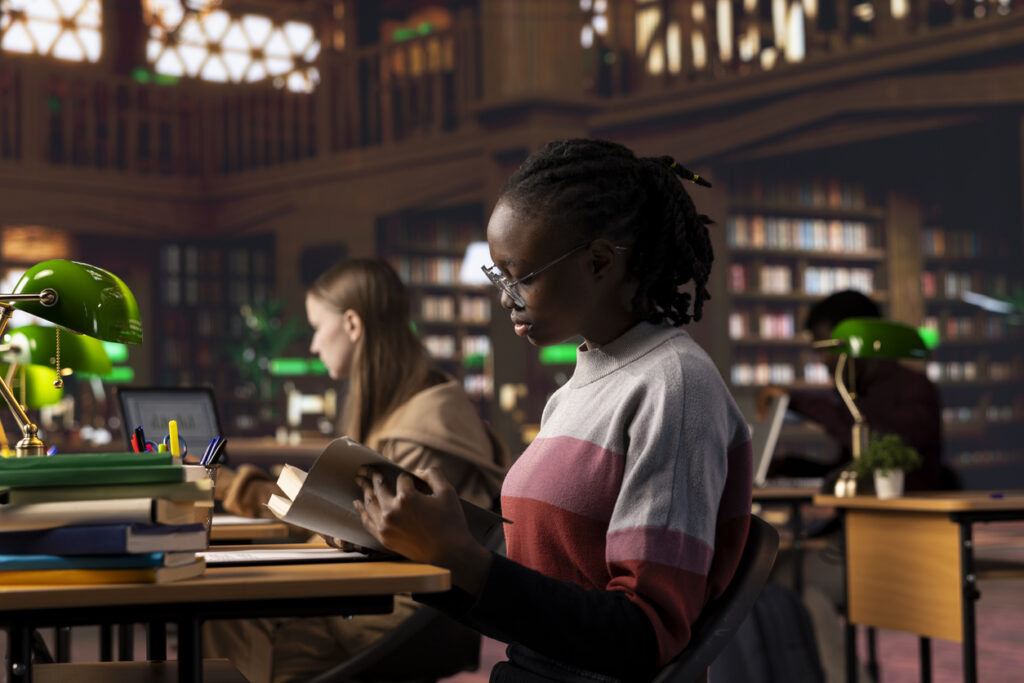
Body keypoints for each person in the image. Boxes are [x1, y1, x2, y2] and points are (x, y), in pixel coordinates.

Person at [351, 138, 753, 682]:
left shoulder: (673, 386)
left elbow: (642, 637)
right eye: (499, 276)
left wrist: (464, 559)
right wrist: (404, 545)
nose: (505, 297)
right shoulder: (573, 393)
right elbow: (529, 607)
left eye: (520, 275)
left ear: (598, 262)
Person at [204, 258, 509, 683]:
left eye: (316, 326)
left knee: (224, 615)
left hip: (387, 618)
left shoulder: (417, 433)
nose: (312, 345)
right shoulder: (417, 408)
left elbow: (372, 542)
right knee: (227, 607)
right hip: (384, 604)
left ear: (351, 324)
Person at [757, 289, 946, 491]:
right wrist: (785, 466)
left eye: (829, 347)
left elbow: (877, 449)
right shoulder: (856, 391)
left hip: (906, 515)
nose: (823, 360)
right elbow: (850, 468)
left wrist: (795, 400)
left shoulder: (913, 389)